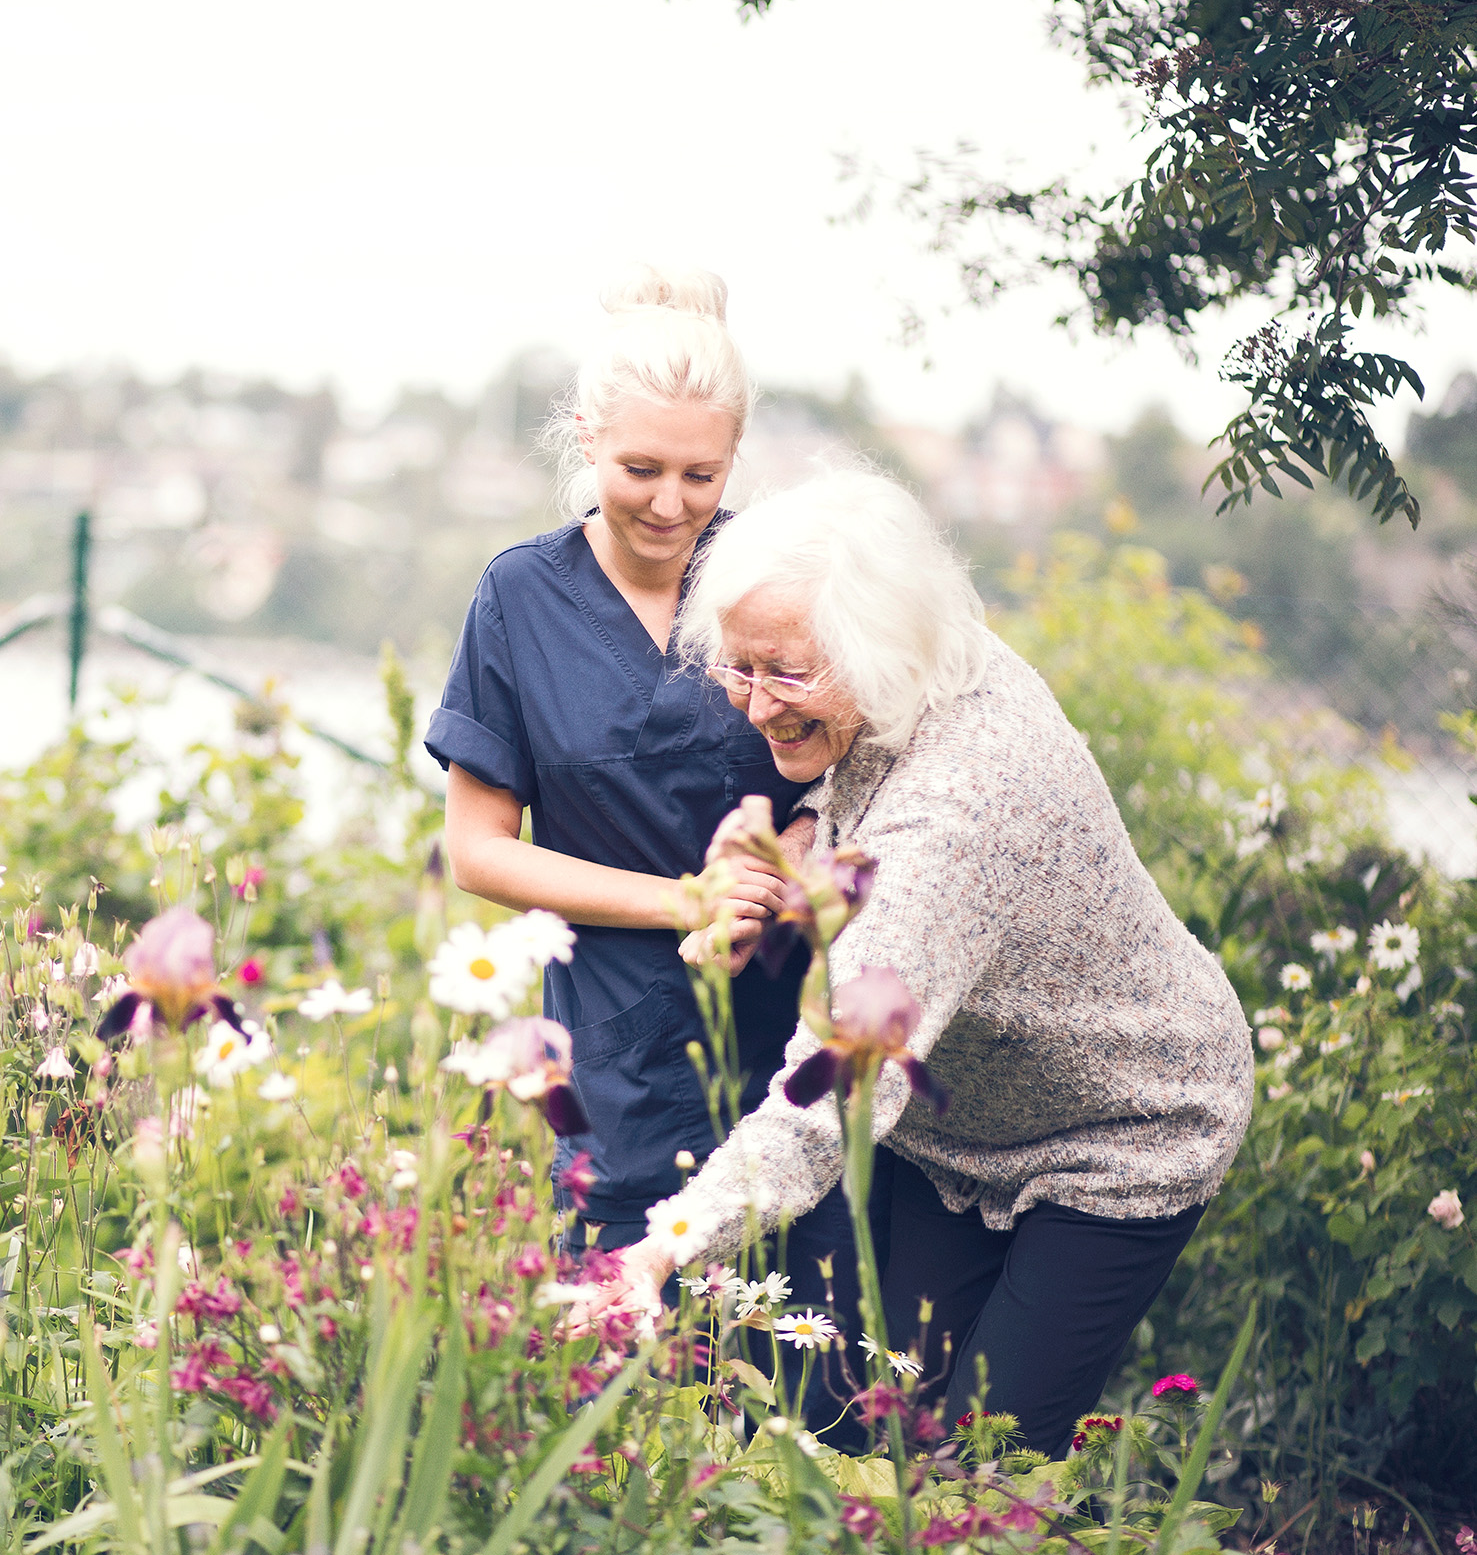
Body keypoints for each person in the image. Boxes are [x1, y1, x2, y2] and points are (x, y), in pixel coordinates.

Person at [579, 469, 1254, 1456]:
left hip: (1126, 1122)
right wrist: (804, 832)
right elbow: (862, 779)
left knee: (986, 1462)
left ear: (877, 650)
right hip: (962, 1126)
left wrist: (653, 1253)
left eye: (785, 672)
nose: (755, 706)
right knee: (880, 1427)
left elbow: (825, 1101)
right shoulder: (927, 651)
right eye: (737, 667)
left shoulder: (955, 821)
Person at [425, 265, 862, 1343]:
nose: (670, 503)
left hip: (793, 1047)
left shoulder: (779, 577)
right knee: (622, 1373)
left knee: (805, 1383)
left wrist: (796, 848)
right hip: (613, 1060)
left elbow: (865, 768)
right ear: (584, 439)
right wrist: (682, 899)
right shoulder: (518, 597)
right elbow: (478, 850)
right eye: (639, 468)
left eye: (700, 473)